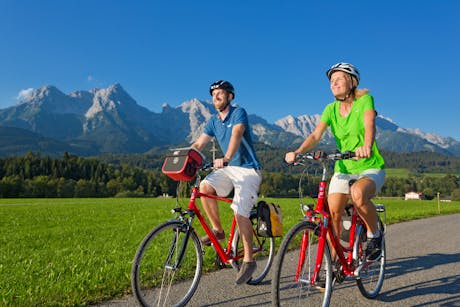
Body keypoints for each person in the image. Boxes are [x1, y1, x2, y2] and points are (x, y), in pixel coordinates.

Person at [285, 63, 385, 261]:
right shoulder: (330, 109)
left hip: (369, 166)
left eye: (339, 78)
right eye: (331, 81)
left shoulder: (365, 100)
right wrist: (297, 152)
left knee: (357, 194)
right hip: (343, 167)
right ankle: (334, 260)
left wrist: (366, 145)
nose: (334, 83)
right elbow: (315, 135)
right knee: (332, 212)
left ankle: (375, 234)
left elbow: (369, 124)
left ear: (352, 81)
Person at [191, 80, 262, 284]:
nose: (216, 97)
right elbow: (199, 143)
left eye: (220, 94)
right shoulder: (213, 121)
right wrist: (186, 157)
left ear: (230, 96)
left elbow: (237, 134)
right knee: (205, 187)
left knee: (240, 212)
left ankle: (249, 260)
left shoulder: (239, 113)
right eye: (213, 95)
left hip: (248, 170)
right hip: (228, 169)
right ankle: (219, 231)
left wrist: (228, 157)